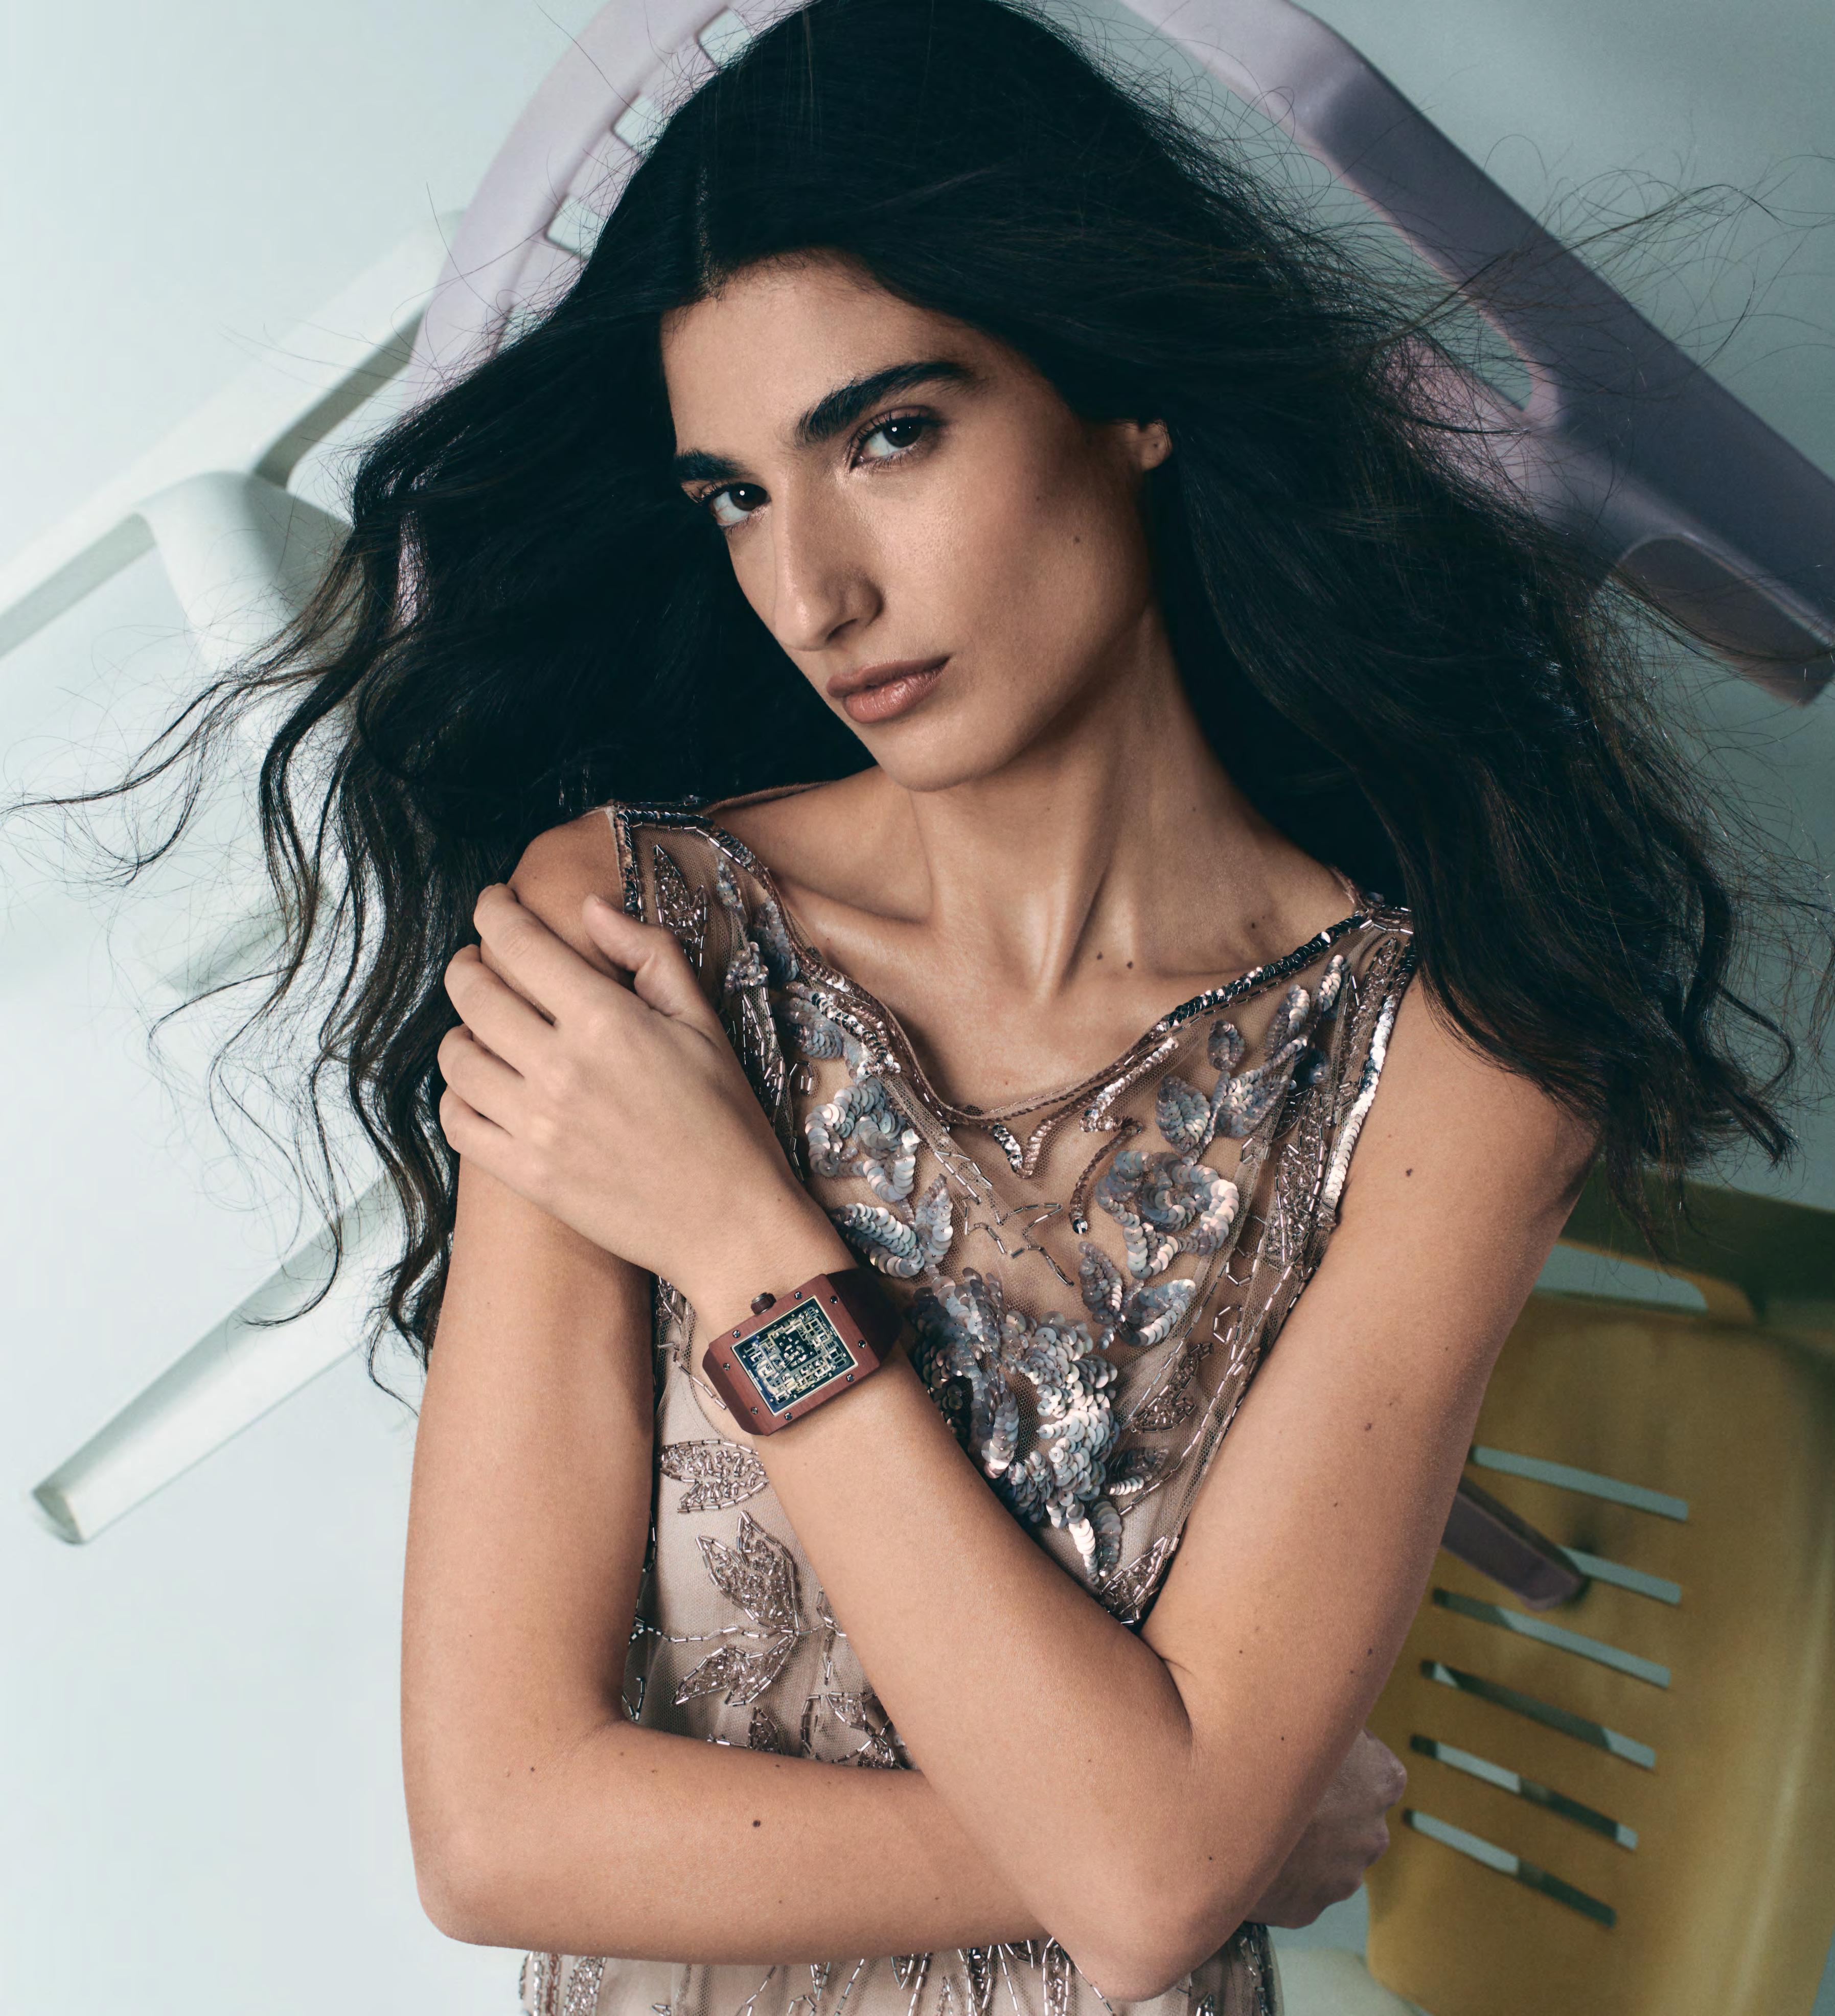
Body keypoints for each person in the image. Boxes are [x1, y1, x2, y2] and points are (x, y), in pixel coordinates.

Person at [36, 3, 1824, 2013]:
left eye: (889, 435)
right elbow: (503, 1827)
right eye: (735, 496)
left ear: (1123, 394)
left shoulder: (1464, 1056)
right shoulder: (626, 929)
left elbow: (1147, 1893)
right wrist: (1193, 1828)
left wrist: (744, 1244)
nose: (815, 593)